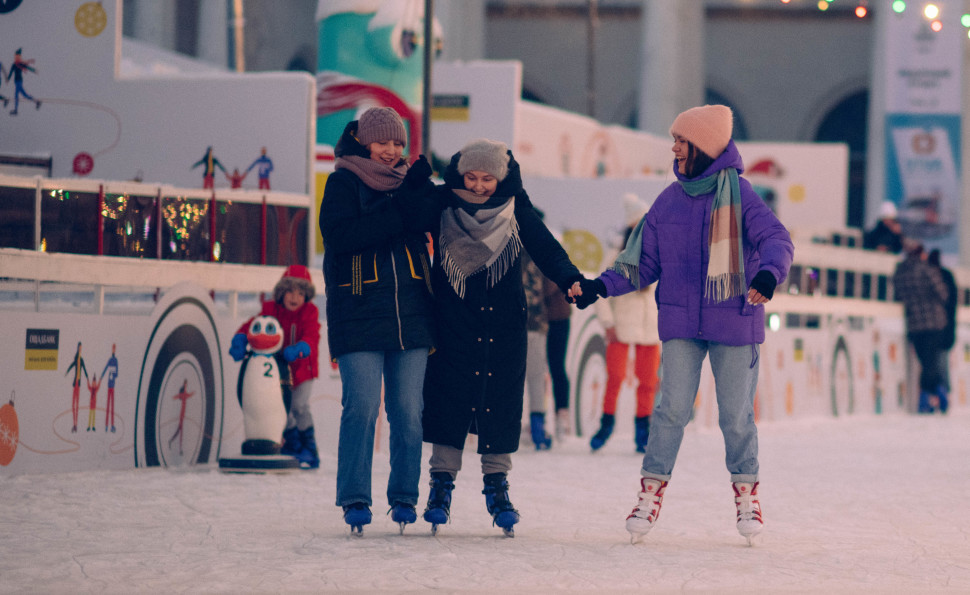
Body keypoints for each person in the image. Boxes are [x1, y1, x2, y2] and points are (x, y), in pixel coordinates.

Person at [569, 105, 794, 545]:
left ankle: (746, 493)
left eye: (681, 140)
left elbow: (776, 239)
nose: (673, 147)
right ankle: (649, 493)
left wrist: (768, 273)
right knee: (670, 408)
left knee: (735, 415)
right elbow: (640, 263)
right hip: (680, 320)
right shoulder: (668, 200)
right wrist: (599, 287)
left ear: (704, 146)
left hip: (734, 316)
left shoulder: (742, 195)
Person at [416, 138, 583, 536]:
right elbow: (404, 217)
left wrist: (571, 278)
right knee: (449, 398)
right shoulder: (442, 205)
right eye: (470, 177)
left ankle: (497, 487)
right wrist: (418, 187)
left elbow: (545, 246)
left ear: (501, 177)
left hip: (504, 324)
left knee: (500, 402)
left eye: (486, 179)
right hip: (452, 320)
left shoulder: (516, 209)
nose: (477, 186)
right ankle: (441, 486)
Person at [319, 106, 436, 535]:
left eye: (398, 143)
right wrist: (404, 207)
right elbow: (342, 237)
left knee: (408, 410)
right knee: (363, 406)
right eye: (383, 142)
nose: (390, 151)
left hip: (413, 313)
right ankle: (354, 498)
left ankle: (405, 496)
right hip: (359, 310)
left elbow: (442, 222)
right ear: (364, 141)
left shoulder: (410, 184)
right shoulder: (343, 181)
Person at [588, 194, 660, 454]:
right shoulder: (616, 254)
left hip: (651, 329)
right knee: (615, 378)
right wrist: (607, 322)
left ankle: (643, 431)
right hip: (621, 327)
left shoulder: (660, 251)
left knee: (648, 381)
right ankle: (606, 425)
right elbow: (600, 290)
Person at [229, 265, 322, 467]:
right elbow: (253, 325)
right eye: (290, 291)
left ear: (306, 296)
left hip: (303, 370)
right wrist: (241, 338)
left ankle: (310, 447)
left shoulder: (310, 312)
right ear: (281, 292)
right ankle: (292, 444)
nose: (294, 297)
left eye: (300, 293)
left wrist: (301, 348)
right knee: (282, 408)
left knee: (299, 406)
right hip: (281, 372)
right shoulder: (271, 309)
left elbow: (312, 336)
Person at [894, 242, 950, 414]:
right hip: (933, 321)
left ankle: (930, 396)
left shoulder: (900, 272)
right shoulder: (927, 270)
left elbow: (898, 294)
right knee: (931, 362)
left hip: (914, 324)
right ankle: (934, 395)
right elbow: (943, 293)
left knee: (924, 361)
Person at [522, 248, 553, 450]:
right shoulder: (541, 254)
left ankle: (503, 426)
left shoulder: (503, 252)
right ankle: (538, 431)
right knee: (535, 378)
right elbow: (551, 287)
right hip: (535, 322)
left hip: (509, 325)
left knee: (506, 377)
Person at [928, 248, 956, 413]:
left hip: (933, 328)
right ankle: (943, 396)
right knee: (941, 364)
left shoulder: (933, 276)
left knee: (934, 364)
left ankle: (935, 397)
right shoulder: (946, 276)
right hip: (945, 327)